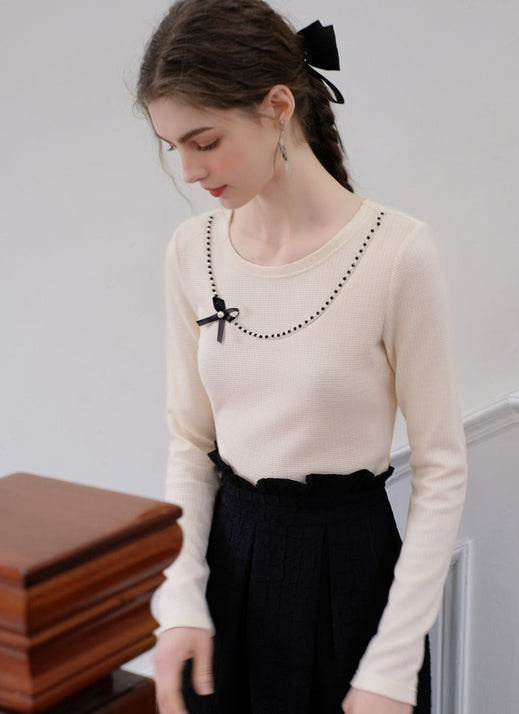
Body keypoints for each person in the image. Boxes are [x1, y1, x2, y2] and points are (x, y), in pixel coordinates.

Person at [135, 1, 467, 713]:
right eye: (172, 148)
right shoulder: (191, 251)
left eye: (204, 141)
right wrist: (181, 598)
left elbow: (441, 469)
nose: (189, 171)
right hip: (227, 572)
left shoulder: (397, 253)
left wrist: (392, 664)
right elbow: (190, 443)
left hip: (350, 581)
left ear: (278, 106)